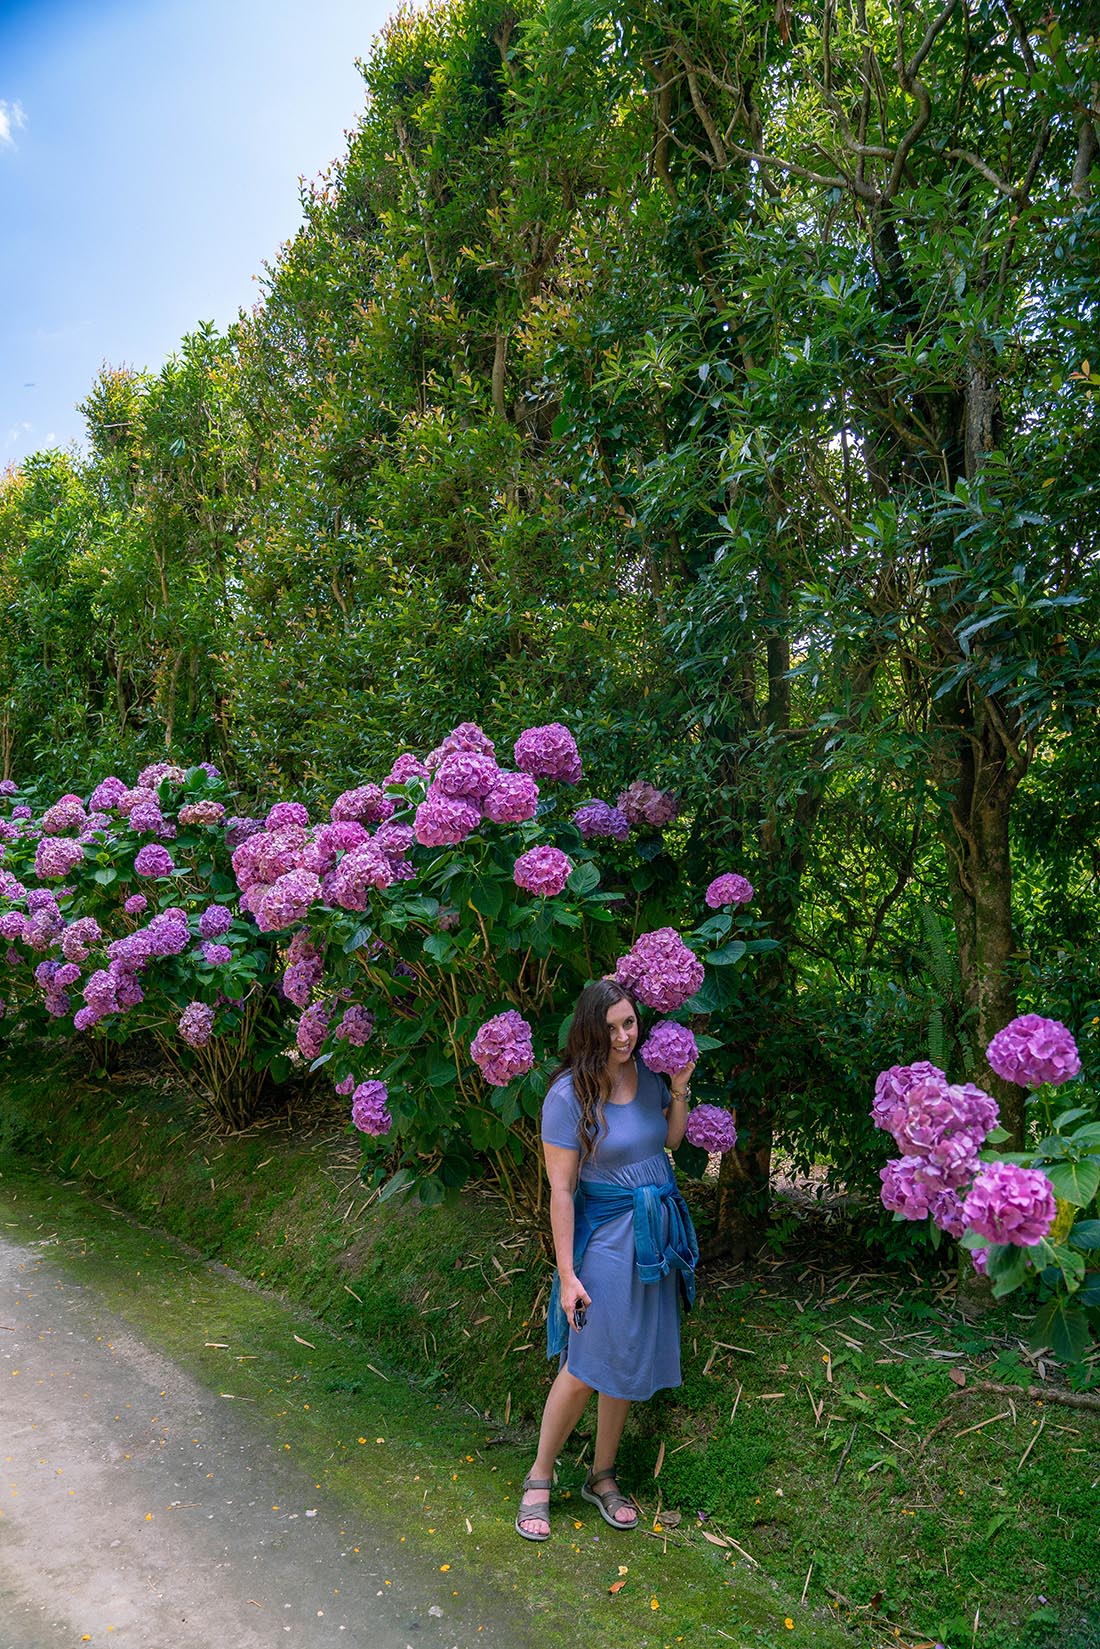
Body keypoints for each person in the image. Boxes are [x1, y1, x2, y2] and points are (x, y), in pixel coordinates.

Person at [515, 978, 698, 1541]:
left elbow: (668, 1142)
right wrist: (568, 1274)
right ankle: (538, 1478)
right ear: (590, 1030)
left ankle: (602, 1475)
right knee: (585, 1363)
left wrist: (681, 1089)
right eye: (613, 1027)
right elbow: (562, 1191)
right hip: (605, 1239)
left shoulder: (648, 1079)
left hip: (653, 1237)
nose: (624, 1036)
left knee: (625, 1357)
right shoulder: (568, 1096)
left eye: (630, 1023)